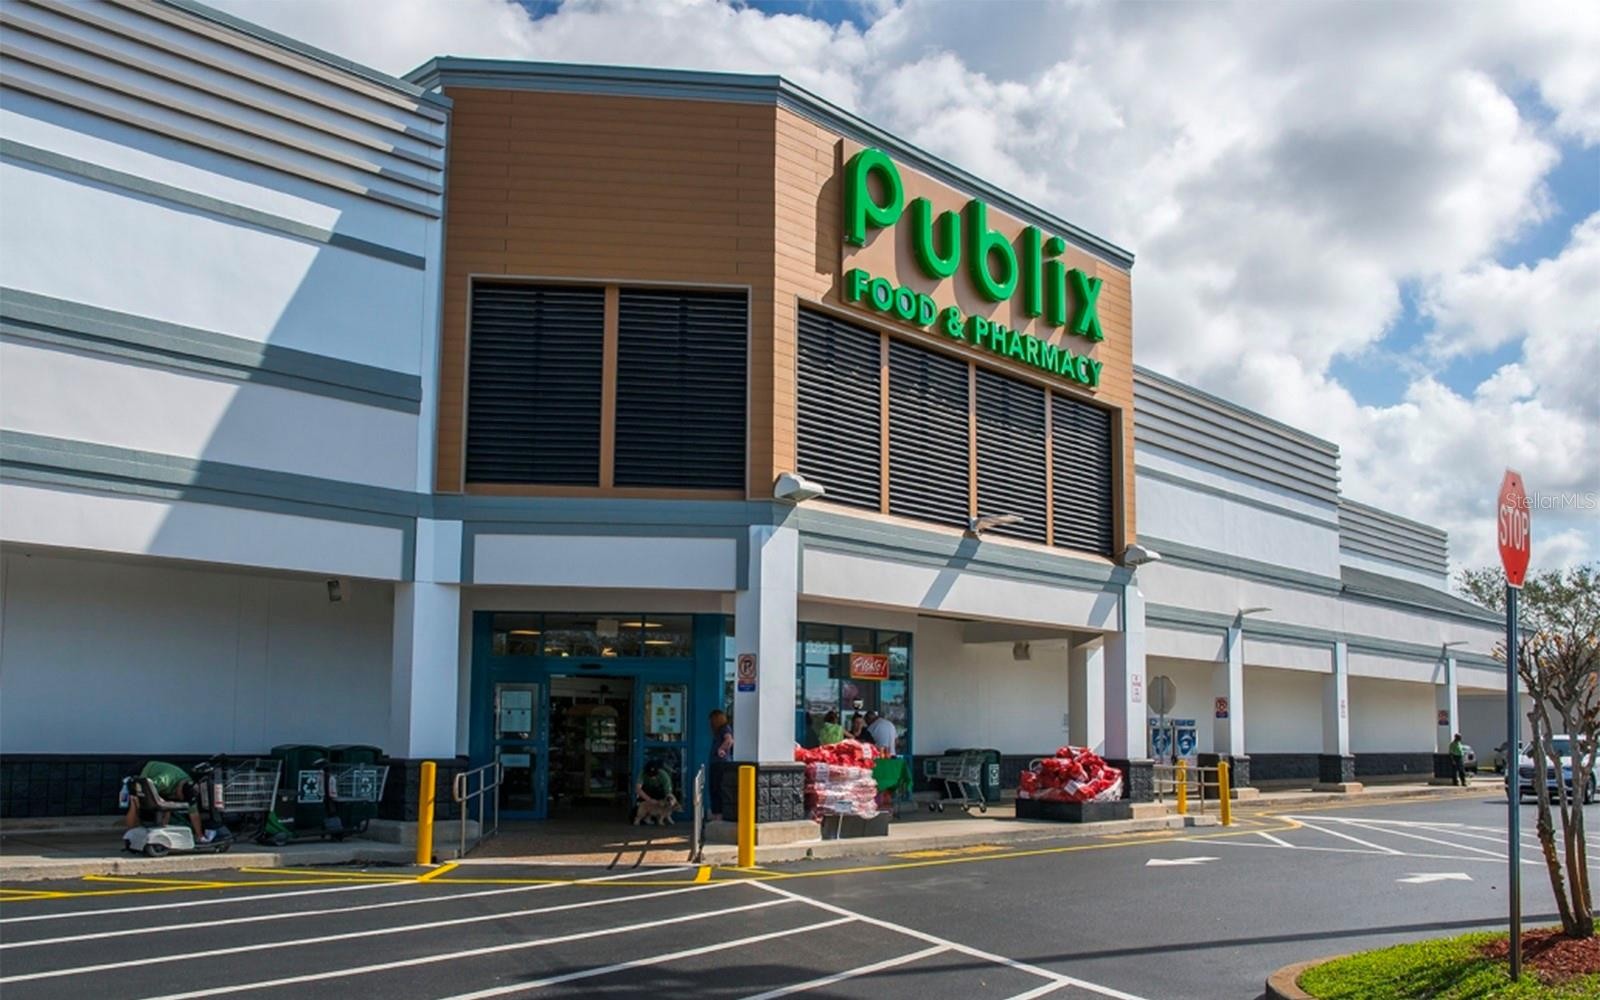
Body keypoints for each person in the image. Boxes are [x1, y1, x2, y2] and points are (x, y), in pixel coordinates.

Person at [123, 760, 217, 842]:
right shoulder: (165, 780)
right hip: (141, 774)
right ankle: (131, 834)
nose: (177, 798)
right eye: (179, 796)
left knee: (167, 808)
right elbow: (146, 788)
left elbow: (194, 814)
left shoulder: (191, 789)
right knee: (135, 802)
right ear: (179, 788)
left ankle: (163, 834)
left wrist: (200, 836)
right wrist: (160, 801)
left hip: (160, 787)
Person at [708, 709, 734, 821]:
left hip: (719, 764)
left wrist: (721, 749)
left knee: (716, 788)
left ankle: (718, 815)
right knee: (715, 789)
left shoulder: (725, 729)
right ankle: (717, 814)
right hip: (718, 763)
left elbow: (729, 740)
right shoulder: (721, 730)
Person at [633, 758, 676, 824]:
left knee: (663, 798)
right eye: (650, 775)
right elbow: (638, 789)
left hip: (659, 795)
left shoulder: (664, 776)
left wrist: (669, 802)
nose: (652, 777)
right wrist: (649, 800)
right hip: (646, 793)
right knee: (632, 816)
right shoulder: (642, 773)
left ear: (658, 771)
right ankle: (646, 817)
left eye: (654, 775)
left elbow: (668, 793)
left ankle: (661, 816)